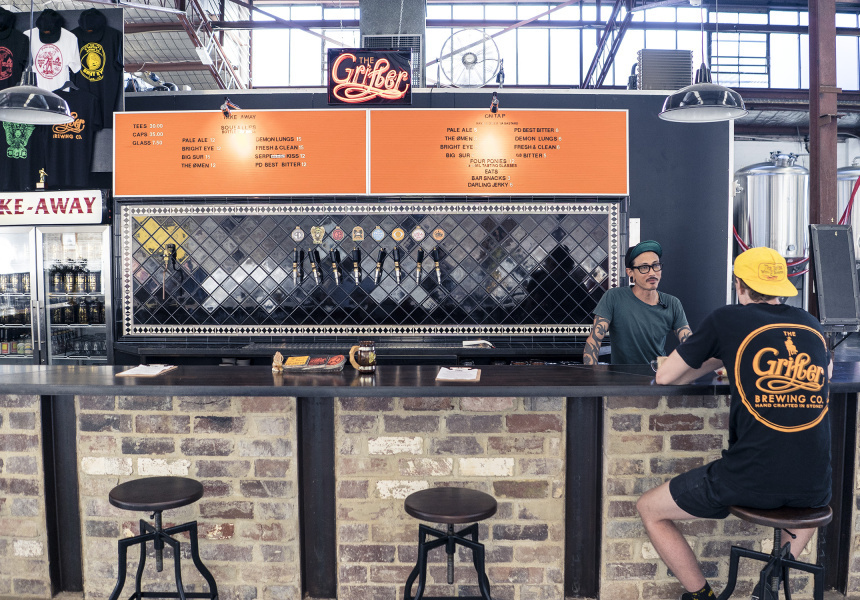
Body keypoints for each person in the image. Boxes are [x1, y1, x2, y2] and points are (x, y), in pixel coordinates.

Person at [637, 246, 832, 600]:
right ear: (781, 285)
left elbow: (665, 376)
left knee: (649, 508)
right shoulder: (811, 324)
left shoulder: (726, 319)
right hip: (816, 485)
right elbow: (827, 371)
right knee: (808, 508)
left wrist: (723, 356)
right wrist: (730, 357)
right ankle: (767, 586)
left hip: (748, 478)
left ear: (739, 285)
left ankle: (702, 595)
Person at [583, 240, 691, 365]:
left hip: (658, 374)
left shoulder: (673, 303)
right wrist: (592, 374)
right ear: (630, 272)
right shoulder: (613, 297)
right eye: (644, 267)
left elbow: (690, 345)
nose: (652, 273)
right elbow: (594, 341)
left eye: (655, 265)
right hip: (621, 375)